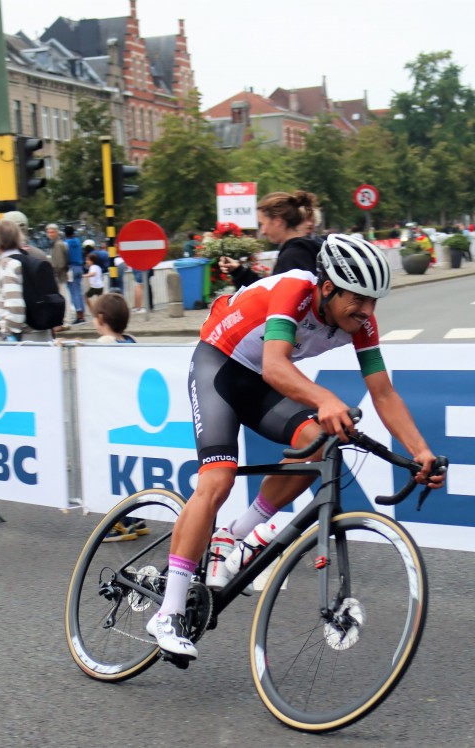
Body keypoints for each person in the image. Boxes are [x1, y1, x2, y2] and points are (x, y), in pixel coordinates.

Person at [145, 234, 445, 659]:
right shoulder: (294, 290)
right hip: (220, 366)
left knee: (320, 446)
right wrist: (324, 399)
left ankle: (236, 537)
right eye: (358, 300)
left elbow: (383, 393)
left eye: (374, 302)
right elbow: (274, 365)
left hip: (260, 381)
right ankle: (168, 614)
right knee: (218, 480)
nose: (366, 312)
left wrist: (420, 451)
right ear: (327, 288)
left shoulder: (361, 323)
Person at [92, 292, 146, 542]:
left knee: (114, 470)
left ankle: (119, 523)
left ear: (101, 318)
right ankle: (137, 520)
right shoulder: (130, 341)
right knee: (132, 470)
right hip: (132, 417)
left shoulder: (104, 344)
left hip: (113, 419)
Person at [0, 219, 51, 343]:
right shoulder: (27, 259)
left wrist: (5, 330)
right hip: (43, 330)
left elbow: (15, 308)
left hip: (24, 338)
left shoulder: (7, 264)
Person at [64, 225, 86, 325]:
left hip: (71, 268)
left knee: (73, 292)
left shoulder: (66, 243)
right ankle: (82, 314)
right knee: (79, 291)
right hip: (79, 267)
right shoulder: (78, 241)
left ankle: (79, 315)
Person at [83, 252, 104, 316]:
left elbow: (93, 273)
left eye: (87, 260)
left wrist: (85, 275)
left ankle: (93, 311)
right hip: (101, 286)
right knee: (100, 300)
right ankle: (101, 312)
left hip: (95, 286)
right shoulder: (98, 267)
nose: (86, 261)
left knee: (86, 297)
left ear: (92, 261)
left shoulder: (93, 267)